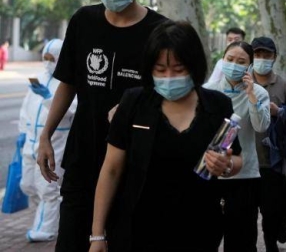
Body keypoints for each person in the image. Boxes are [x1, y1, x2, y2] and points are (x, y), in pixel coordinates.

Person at [36, 0, 168, 252]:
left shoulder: (160, 32)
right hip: (83, 155)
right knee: (71, 242)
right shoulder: (83, 21)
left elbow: (169, 94)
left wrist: (135, 107)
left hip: (133, 163)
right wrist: (45, 137)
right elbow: (68, 84)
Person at [88, 20, 241, 251]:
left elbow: (237, 158)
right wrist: (97, 235)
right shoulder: (134, 102)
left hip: (199, 230)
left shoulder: (218, 105)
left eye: (179, 69)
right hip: (136, 230)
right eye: (160, 70)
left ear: (194, 66)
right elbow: (111, 169)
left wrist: (226, 165)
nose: (169, 77)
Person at [203, 41, 271, 252]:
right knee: (207, 234)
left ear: (249, 66)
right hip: (210, 173)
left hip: (245, 175)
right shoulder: (208, 91)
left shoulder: (259, 93)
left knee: (241, 239)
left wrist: (251, 94)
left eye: (241, 62)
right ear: (222, 60)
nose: (234, 65)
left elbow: (261, 126)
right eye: (230, 59)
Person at [18, 39, 76, 242]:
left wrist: (48, 97)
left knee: (48, 188)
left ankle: (46, 228)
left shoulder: (69, 81)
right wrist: (23, 132)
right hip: (31, 140)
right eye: (46, 58)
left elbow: (72, 111)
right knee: (27, 185)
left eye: (53, 59)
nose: (48, 62)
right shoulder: (41, 77)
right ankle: (49, 217)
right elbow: (27, 107)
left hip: (56, 140)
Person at [251, 36, 286, 252]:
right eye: (258, 55)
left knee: (274, 209)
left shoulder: (284, 86)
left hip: (274, 162)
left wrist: (279, 112)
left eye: (267, 55)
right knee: (250, 212)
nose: (262, 59)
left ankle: (276, 234)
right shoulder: (241, 83)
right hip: (247, 161)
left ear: (274, 58)